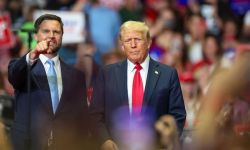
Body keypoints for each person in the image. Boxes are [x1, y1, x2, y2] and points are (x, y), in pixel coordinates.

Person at [89, 21, 186, 150]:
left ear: (149, 43)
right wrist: (105, 140)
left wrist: (166, 143)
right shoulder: (107, 74)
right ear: (122, 45)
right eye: (128, 40)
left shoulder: (168, 74)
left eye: (137, 39)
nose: (133, 45)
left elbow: (177, 116)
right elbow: (95, 114)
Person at [8, 14, 92, 150]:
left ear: (62, 37)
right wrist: (33, 54)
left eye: (56, 32)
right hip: (28, 144)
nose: (51, 35)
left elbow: (81, 117)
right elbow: (14, 77)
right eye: (46, 31)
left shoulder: (77, 76)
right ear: (36, 36)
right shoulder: (23, 67)